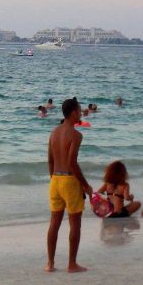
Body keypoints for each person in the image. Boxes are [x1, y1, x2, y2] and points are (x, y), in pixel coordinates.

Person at [46, 98, 95, 272]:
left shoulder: (54, 132)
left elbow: (50, 160)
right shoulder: (76, 135)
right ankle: (72, 264)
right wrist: (85, 185)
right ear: (73, 112)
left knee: (54, 222)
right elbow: (72, 163)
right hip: (69, 180)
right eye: (80, 110)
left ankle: (50, 263)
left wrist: (54, 179)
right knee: (75, 223)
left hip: (55, 180)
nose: (81, 113)